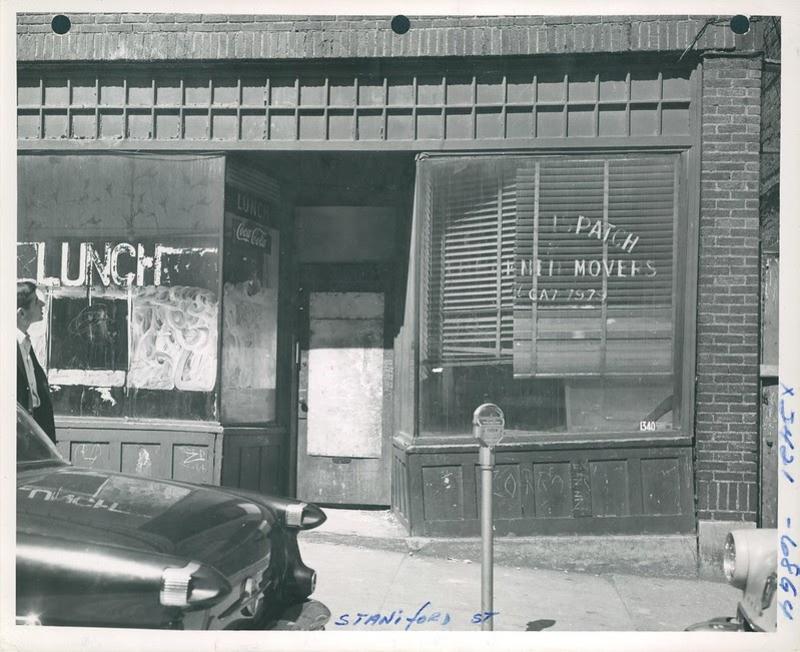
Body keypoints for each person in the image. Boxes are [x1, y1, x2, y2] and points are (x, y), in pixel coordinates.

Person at [17, 281, 56, 443]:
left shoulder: (26, 345)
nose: (42, 303)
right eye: (35, 301)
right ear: (21, 314)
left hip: (34, 437)